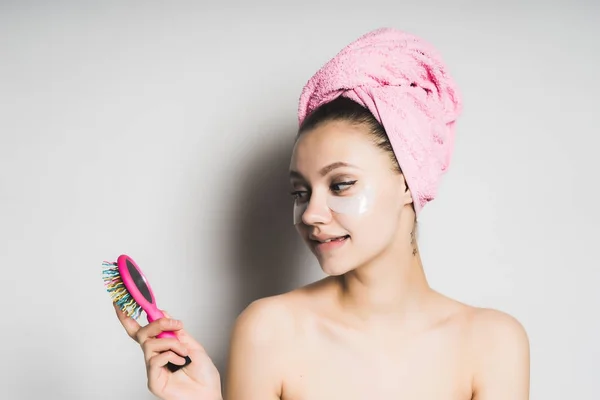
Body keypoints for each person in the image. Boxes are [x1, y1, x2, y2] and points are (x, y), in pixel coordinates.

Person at [114, 27, 530, 400]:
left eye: (341, 184)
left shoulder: (493, 344)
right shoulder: (268, 332)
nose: (310, 214)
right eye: (300, 192)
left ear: (408, 180)